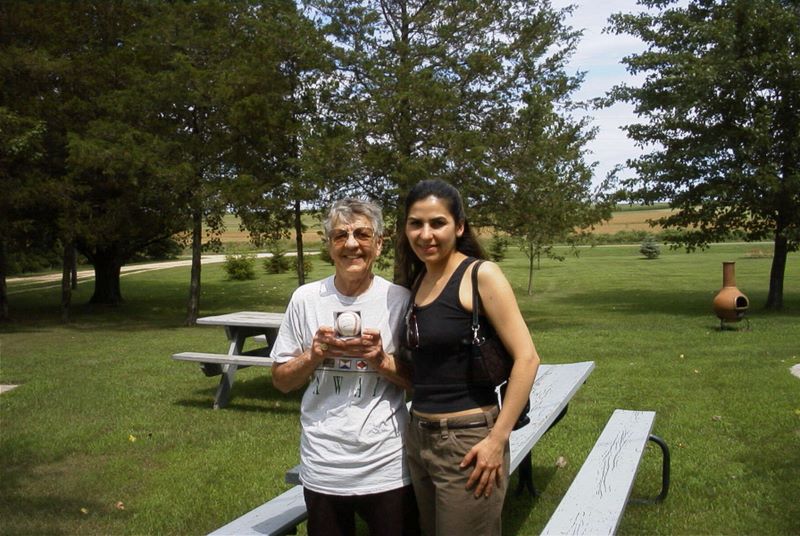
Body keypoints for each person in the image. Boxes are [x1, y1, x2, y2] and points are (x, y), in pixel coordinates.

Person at [398, 179, 540, 536]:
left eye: (437, 223)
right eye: (416, 223)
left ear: (459, 226)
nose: (425, 234)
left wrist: (497, 440)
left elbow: (527, 358)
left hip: (468, 441)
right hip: (419, 437)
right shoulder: (418, 281)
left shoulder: (480, 275)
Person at [271, 198, 419, 536]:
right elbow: (280, 381)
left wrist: (382, 360)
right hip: (324, 466)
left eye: (362, 235)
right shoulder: (306, 299)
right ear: (329, 246)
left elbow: (419, 382)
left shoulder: (398, 300)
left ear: (379, 244)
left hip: (387, 465)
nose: (351, 244)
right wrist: (313, 355)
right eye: (340, 236)